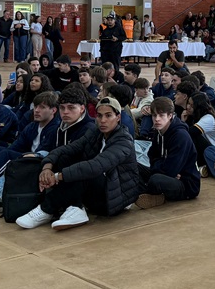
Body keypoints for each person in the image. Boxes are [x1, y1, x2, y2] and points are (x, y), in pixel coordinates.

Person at [15, 96, 140, 230]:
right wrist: (47, 168)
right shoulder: (95, 132)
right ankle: (75, 208)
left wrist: (57, 177)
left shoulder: (123, 141)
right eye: (99, 116)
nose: (103, 120)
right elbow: (67, 149)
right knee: (65, 159)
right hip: (95, 190)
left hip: (115, 198)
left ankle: (46, 209)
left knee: (87, 170)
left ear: (118, 117)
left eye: (108, 116)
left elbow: (96, 166)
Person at [134, 96, 201, 209]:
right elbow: (152, 155)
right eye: (154, 115)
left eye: (161, 115)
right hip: (170, 175)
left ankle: (148, 193)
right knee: (134, 166)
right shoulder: (159, 131)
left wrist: (162, 168)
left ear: (170, 116)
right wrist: (161, 166)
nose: (157, 119)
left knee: (155, 179)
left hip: (186, 184)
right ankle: (149, 194)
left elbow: (170, 169)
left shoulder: (180, 136)